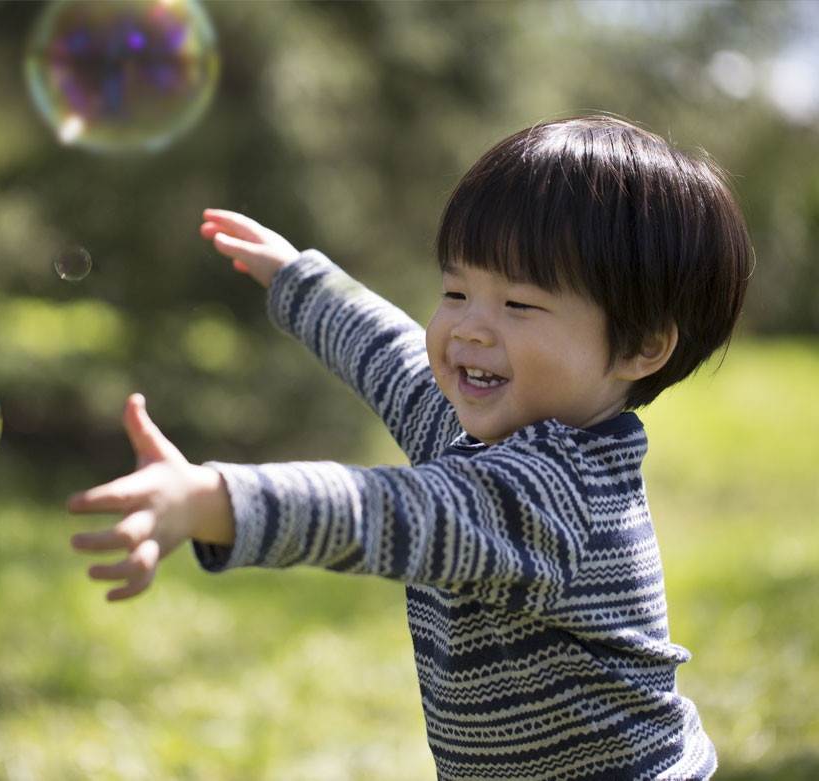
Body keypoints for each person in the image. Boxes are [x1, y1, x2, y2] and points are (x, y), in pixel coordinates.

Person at [67, 115, 752, 780]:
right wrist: (298, 279)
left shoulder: (556, 496)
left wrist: (215, 499)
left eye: (517, 304)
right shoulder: (474, 425)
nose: (468, 329)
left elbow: (385, 512)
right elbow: (392, 357)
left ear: (640, 346)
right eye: (456, 290)